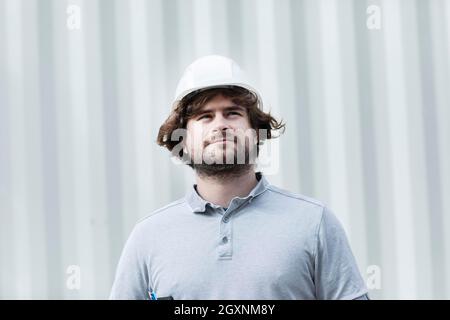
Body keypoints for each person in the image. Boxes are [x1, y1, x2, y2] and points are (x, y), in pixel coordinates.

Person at [109, 55, 369, 300]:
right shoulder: (148, 236)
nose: (220, 124)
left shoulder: (314, 223)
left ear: (256, 132)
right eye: (205, 116)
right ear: (184, 141)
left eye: (232, 113)